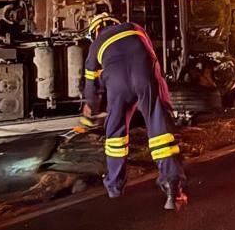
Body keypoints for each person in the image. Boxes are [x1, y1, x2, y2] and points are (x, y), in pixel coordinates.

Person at [78, 13, 187, 209]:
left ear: (95, 30)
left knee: (116, 135)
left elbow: (91, 86)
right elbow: (152, 60)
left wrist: (91, 110)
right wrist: (161, 103)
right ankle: (172, 185)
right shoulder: (133, 27)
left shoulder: (96, 44)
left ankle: (114, 186)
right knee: (160, 132)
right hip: (144, 76)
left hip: (117, 85)